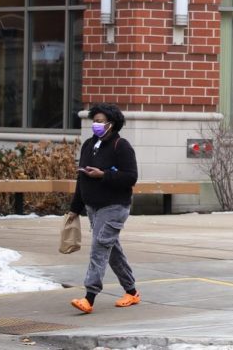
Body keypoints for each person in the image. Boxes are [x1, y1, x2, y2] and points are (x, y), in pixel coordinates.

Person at [69, 103, 140, 314]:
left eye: (100, 121)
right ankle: (132, 291)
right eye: (94, 121)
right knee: (112, 251)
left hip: (114, 207)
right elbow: (81, 178)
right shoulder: (89, 145)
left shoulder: (122, 146)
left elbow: (131, 177)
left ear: (112, 124)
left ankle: (89, 297)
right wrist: (75, 208)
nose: (96, 125)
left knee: (99, 249)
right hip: (94, 207)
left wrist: (104, 175)